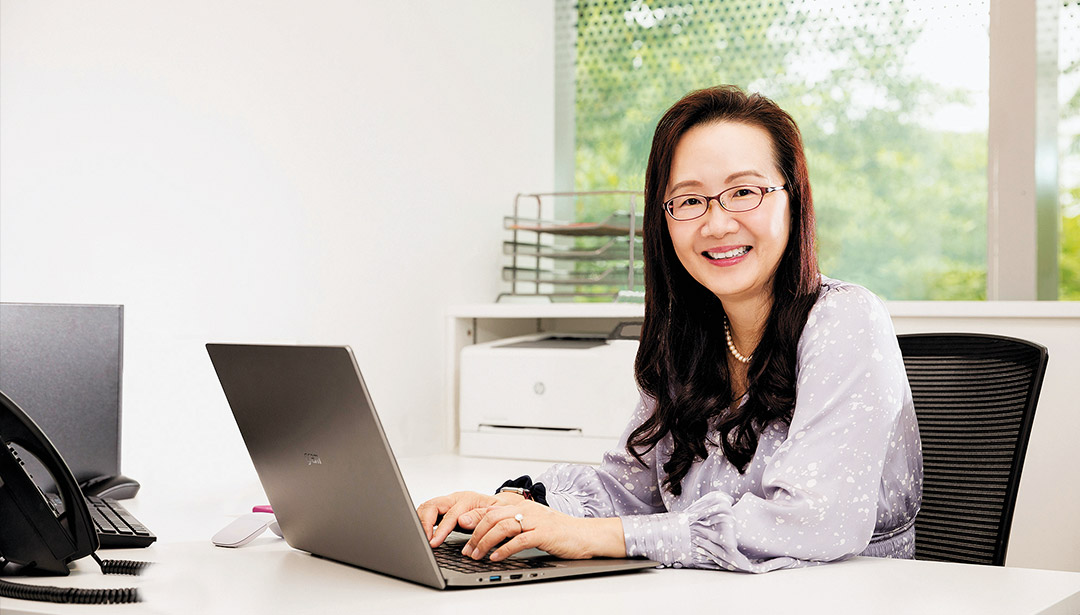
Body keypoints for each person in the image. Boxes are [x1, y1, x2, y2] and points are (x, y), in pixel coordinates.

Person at [417, 85, 923, 573]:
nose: (717, 224)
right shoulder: (688, 336)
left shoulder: (846, 319)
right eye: (690, 200)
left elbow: (816, 522)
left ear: (793, 199)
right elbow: (630, 492)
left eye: (743, 192)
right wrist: (517, 508)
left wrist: (602, 538)